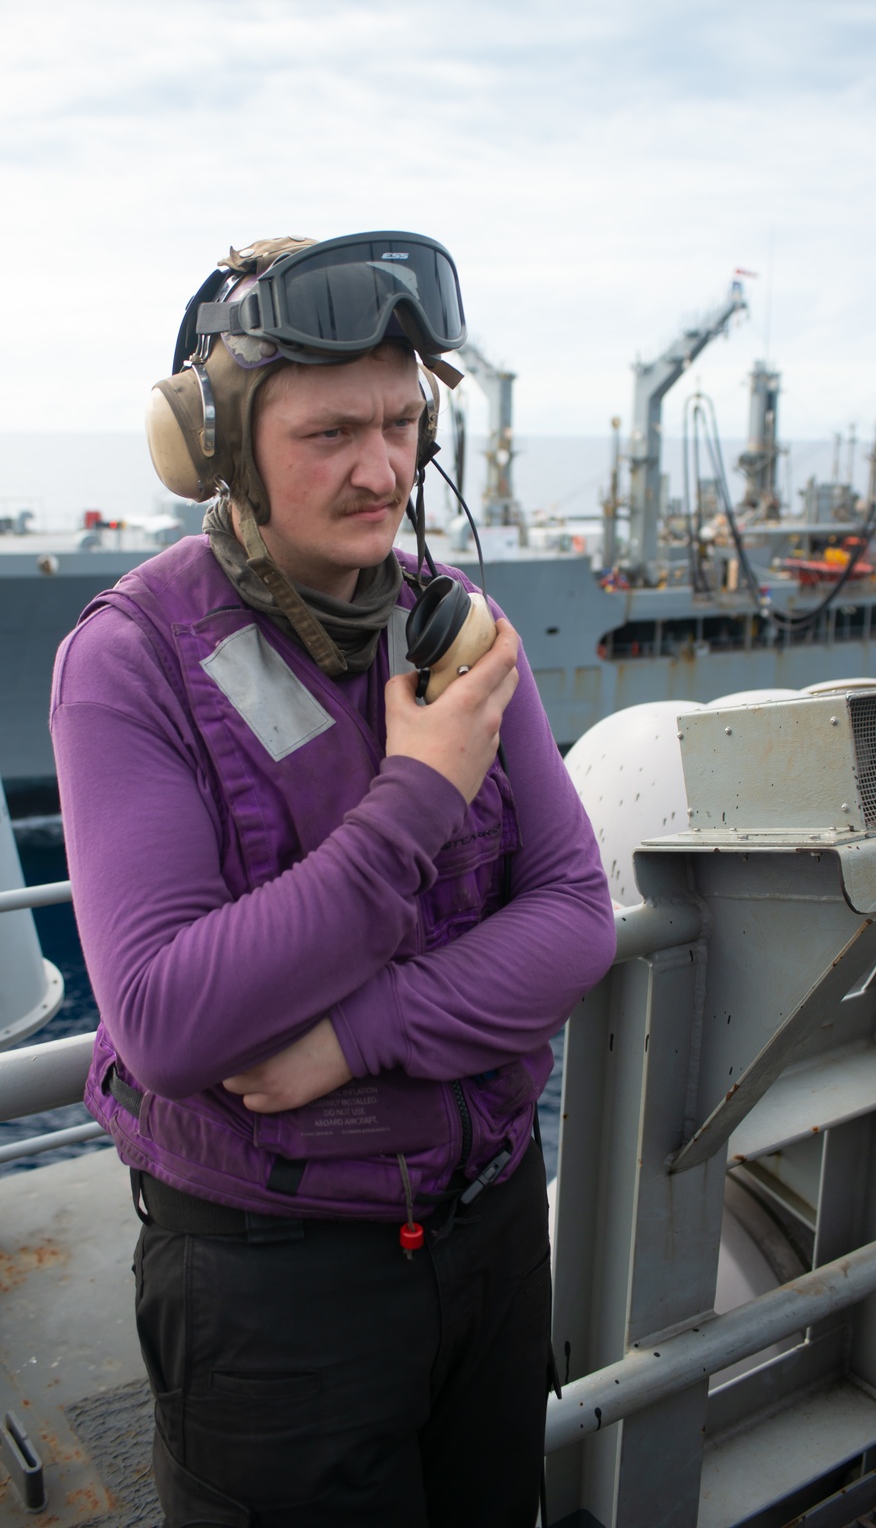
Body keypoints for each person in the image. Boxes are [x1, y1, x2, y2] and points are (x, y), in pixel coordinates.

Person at [50, 232, 616, 1527]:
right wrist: (416, 798)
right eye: (331, 433)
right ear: (220, 446)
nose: (383, 470)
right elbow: (169, 1022)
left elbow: (576, 918)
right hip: (273, 1291)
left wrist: (357, 1033)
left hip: (485, 1236)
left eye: (406, 424)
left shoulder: (454, 622)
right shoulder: (129, 661)